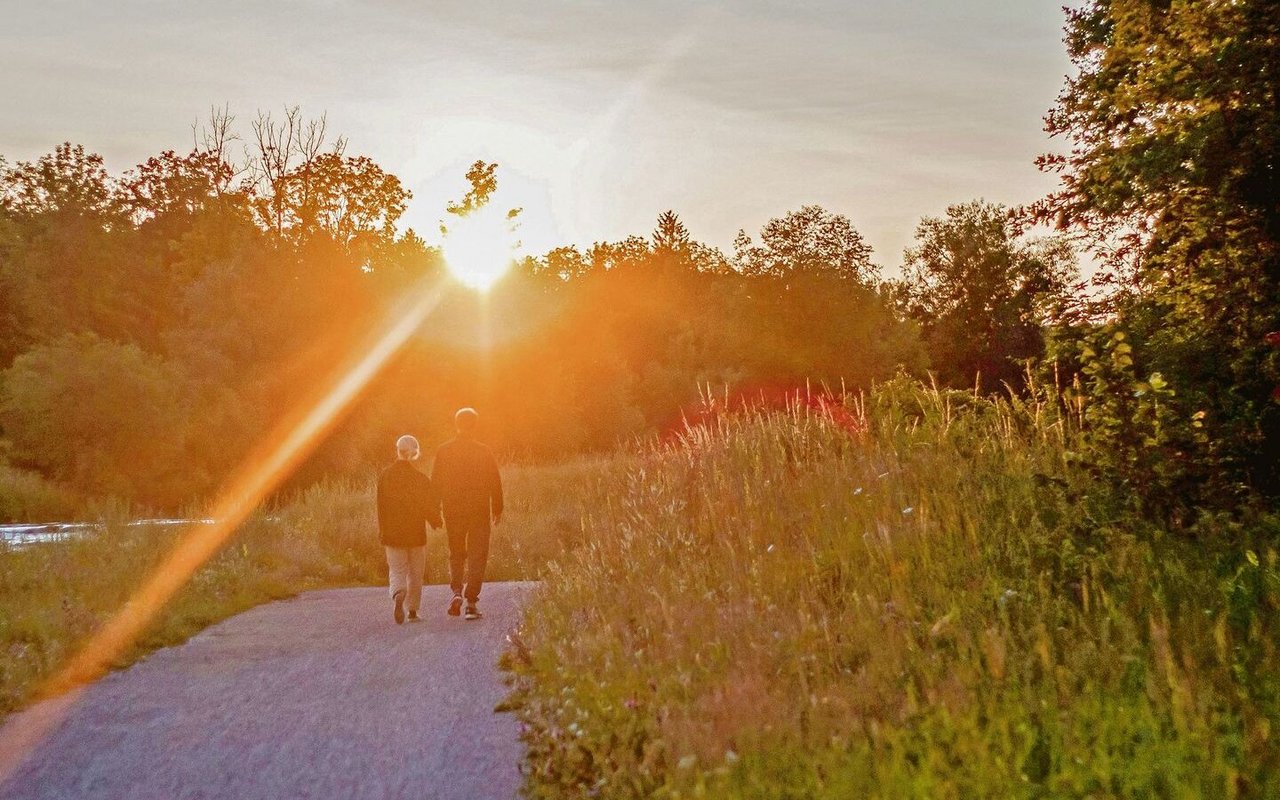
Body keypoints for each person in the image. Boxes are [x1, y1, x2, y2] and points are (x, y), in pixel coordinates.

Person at [430, 408, 503, 621]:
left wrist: (435, 512)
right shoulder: (484, 451)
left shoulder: (444, 451)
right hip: (478, 511)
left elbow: (436, 483)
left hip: (454, 511)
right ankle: (471, 602)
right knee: (477, 555)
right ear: (475, 425)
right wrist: (497, 508)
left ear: (456, 424)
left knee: (457, 552)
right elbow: (494, 481)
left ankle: (456, 592)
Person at [376, 434, 440, 625]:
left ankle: (398, 593)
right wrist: (436, 521)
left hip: (392, 533)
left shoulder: (385, 476)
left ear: (397, 450)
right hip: (415, 534)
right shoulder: (420, 479)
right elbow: (428, 505)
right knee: (415, 572)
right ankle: (412, 610)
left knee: (397, 570)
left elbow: (381, 506)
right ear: (414, 453)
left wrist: (383, 531)